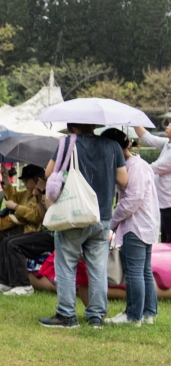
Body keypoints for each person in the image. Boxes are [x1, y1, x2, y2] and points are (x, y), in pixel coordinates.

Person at [39, 124, 128, 328]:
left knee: (66, 264)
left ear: (72, 126)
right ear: (95, 125)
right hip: (102, 215)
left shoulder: (68, 143)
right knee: (98, 268)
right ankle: (96, 316)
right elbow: (123, 179)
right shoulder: (113, 146)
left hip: (74, 214)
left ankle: (66, 315)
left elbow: (49, 173)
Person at [105, 129, 160, 326]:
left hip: (135, 226)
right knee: (144, 271)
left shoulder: (133, 167)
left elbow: (131, 201)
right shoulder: (140, 163)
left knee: (135, 272)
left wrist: (112, 223)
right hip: (146, 224)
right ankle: (148, 313)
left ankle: (133, 315)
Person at [133, 125, 171, 243]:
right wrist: (135, 122)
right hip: (164, 202)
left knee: (168, 240)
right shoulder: (167, 143)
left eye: (170, 125)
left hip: (169, 204)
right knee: (165, 238)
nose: (167, 126)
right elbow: (147, 137)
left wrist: (132, 162)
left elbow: (152, 168)